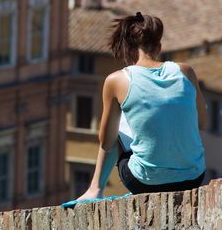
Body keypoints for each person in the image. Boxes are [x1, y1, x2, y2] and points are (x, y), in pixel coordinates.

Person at [77, 12, 207, 200]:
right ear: (159, 46)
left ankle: (95, 188)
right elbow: (202, 123)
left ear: (127, 49)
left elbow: (107, 141)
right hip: (194, 177)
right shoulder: (185, 71)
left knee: (118, 122)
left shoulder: (117, 80)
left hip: (144, 181)